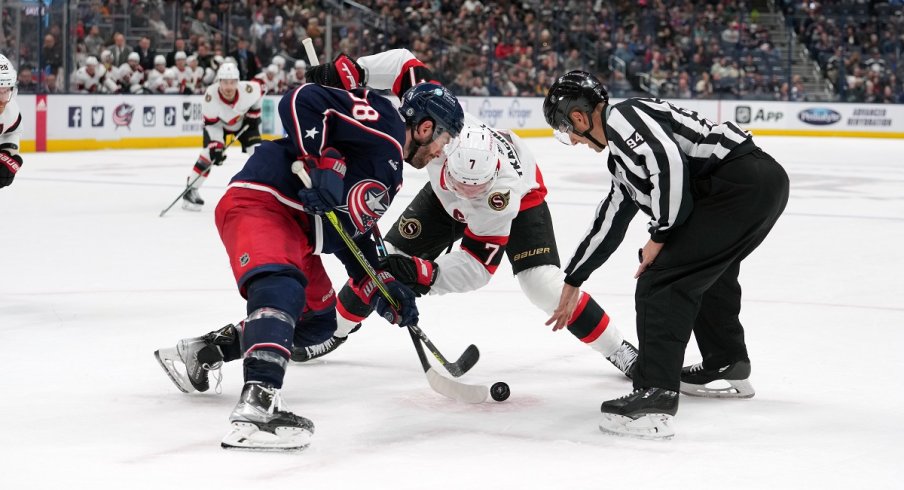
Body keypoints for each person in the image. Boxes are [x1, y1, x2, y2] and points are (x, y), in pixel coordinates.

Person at [154, 55, 466, 451]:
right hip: (264, 201)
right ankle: (258, 405)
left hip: (298, 229)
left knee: (317, 321)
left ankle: (204, 351)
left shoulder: (391, 170)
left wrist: (385, 285)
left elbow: (356, 231)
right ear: (425, 127)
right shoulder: (386, 123)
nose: (442, 151)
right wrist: (317, 162)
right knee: (282, 286)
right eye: (444, 139)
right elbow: (301, 99)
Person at [542, 70, 789, 439]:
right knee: (706, 271)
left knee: (662, 279)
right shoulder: (621, 158)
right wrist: (574, 278)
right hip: (756, 184)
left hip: (739, 182)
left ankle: (655, 396)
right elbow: (608, 224)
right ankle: (727, 362)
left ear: (579, 116)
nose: (574, 140)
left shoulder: (622, 117)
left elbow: (667, 163)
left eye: (569, 131)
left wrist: (661, 233)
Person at [294, 120, 639, 379]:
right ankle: (332, 330)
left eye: (475, 188)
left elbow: (477, 267)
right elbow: (404, 67)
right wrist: (355, 71)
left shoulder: (499, 196)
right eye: (461, 184)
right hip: (443, 201)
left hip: (518, 203)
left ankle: (617, 348)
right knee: (382, 261)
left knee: (541, 284)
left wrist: (421, 274)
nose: (467, 194)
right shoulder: (440, 134)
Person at [181, 62, 263, 211]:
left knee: (259, 153)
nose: (228, 87)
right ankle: (190, 189)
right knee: (209, 155)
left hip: (244, 123)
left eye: (232, 83)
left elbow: (261, 91)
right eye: (225, 82)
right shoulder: (210, 97)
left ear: (238, 82)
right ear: (219, 82)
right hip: (219, 126)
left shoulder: (249, 89)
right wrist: (217, 147)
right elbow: (212, 125)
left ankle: (263, 193)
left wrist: (254, 115)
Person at [0, 54, 23, 189]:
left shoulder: (11, 110)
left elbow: (14, 130)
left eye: (6, 91)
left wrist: (9, 152)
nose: (3, 99)